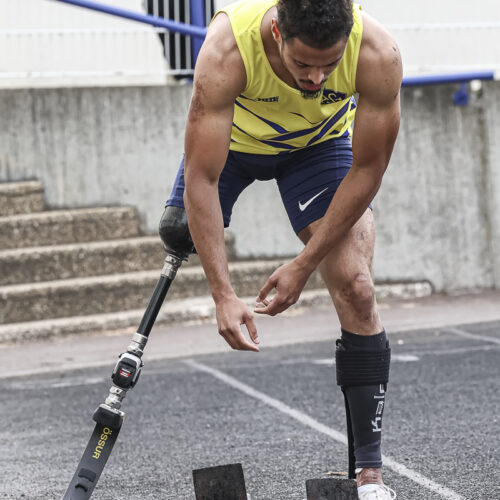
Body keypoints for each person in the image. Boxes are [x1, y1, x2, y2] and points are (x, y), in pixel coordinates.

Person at [160, 0, 401, 498]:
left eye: (329, 65)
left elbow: (368, 170)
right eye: (303, 64)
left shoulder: (377, 53)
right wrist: (223, 294)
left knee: (357, 286)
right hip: (234, 146)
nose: (315, 78)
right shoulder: (227, 50)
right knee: (178, 230)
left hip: (316, 146)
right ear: (277, 34)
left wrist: (305, 265)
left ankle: (370, 473)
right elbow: (202, 177)